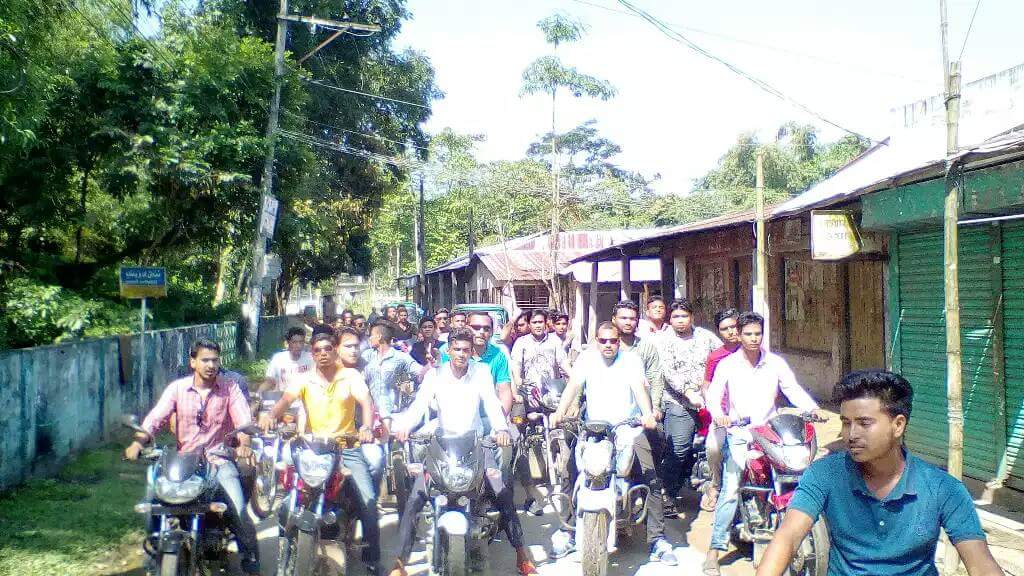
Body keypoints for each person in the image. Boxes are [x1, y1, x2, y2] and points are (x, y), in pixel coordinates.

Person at [756, 369, 1004, 576]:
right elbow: (787, 537)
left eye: (864, 423)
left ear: (898, 425)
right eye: (845, 422)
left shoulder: (943, 488)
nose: (850, 434)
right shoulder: (825, 474)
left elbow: (980, 562)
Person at [388, 328, 538, 576]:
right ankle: (399, 563)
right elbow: (419, 405)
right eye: (456, 349)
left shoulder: (480, 373)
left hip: (477, 444)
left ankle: (522, 555)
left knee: (502, 492)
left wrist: (500, 429)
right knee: (416, 497)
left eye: (466, 350)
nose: (461, 354)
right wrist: (404, 427)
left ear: (471, 352)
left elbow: (491, 402)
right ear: (449, 351)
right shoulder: (435, 376)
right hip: (442, 446)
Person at [125, 339, 260, 576]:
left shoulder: (230, 388)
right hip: (184, 463)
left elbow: (243, 420)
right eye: (205, 360)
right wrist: (138, 442)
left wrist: (244, 444)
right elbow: (155, 418)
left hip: (218, 461)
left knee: (238, 511)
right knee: (154, 502)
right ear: (193, 362)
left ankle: (252, 564)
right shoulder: (178, 388)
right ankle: (155, 551)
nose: (211, 365)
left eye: (215, 360)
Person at [550, 322, 678, 567]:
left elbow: (639, 390)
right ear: (596, 341)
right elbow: (573, 387)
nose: (608, 345)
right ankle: (567, 531)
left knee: (650, 476)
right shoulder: (586, 360)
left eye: (613, 341)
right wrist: (559, 412)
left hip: (627, 428)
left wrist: (647, 414)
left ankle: (657, 540)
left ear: (620, 341)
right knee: (570, 469)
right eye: (603, 341)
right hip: (593, 430)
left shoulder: (631, 361)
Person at [258, 329, 383, 574]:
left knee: (368, 501)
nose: (323, 354)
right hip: (312, 448)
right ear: (312, 354)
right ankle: (287, 544)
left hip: (346, 447)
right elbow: (284, 401)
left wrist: (366, 426)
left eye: (328, 349)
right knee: (291, 493)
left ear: (335, 350)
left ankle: (372, 557)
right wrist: (269, 416)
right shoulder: (304, 379)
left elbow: (366, 403)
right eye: (318, 350)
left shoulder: (351, 376)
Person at [703, 312, 818, 575]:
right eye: (748, 334)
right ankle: (714, 550)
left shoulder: (774, 363)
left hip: (770, 432)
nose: (754, 338)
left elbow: (792, 388)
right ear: (739, 336)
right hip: (740, 433)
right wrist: (721, 416)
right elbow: (713, 396)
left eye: (758, 333)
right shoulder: (728, 365)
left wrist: (811, 408)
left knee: (794, 475)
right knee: (731, 488)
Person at [653, 299, 721, 512]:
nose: (680, 321)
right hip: (678, 402)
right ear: (669, 319)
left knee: (719, 447)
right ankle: (668, 494)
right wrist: (689, 393)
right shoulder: (662, 341)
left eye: (684, 316)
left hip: (710, 400)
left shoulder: (706, 337)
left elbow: (722, 358)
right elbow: (668, 372)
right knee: (679, 449)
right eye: (675, 317)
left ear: (692, 317)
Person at [360, 321, 426, 484]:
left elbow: (419, 373)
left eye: (372, 335)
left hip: (396, 414)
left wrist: (430, 365)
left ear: (379, 336)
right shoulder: (367, 356)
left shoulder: (401, 358)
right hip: (371, 414)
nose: (370, 338)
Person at [700, 308, 741, 511]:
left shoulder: (755, 351)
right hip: (723, 416)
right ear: (719, 332)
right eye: (725, 329)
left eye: (734, 326)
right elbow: (707, 385)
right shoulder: (716, 357)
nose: (731, 332)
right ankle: (715, 485)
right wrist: (715, 411)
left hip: (752, 415)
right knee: (714, 448)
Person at [262, 327, 314, 392]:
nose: (298, 345)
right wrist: (258, 394)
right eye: (294, 342)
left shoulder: (311, 358)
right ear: (287, 343)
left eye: (301, 342)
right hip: (284, 399)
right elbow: (269, 381)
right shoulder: (278, 359)